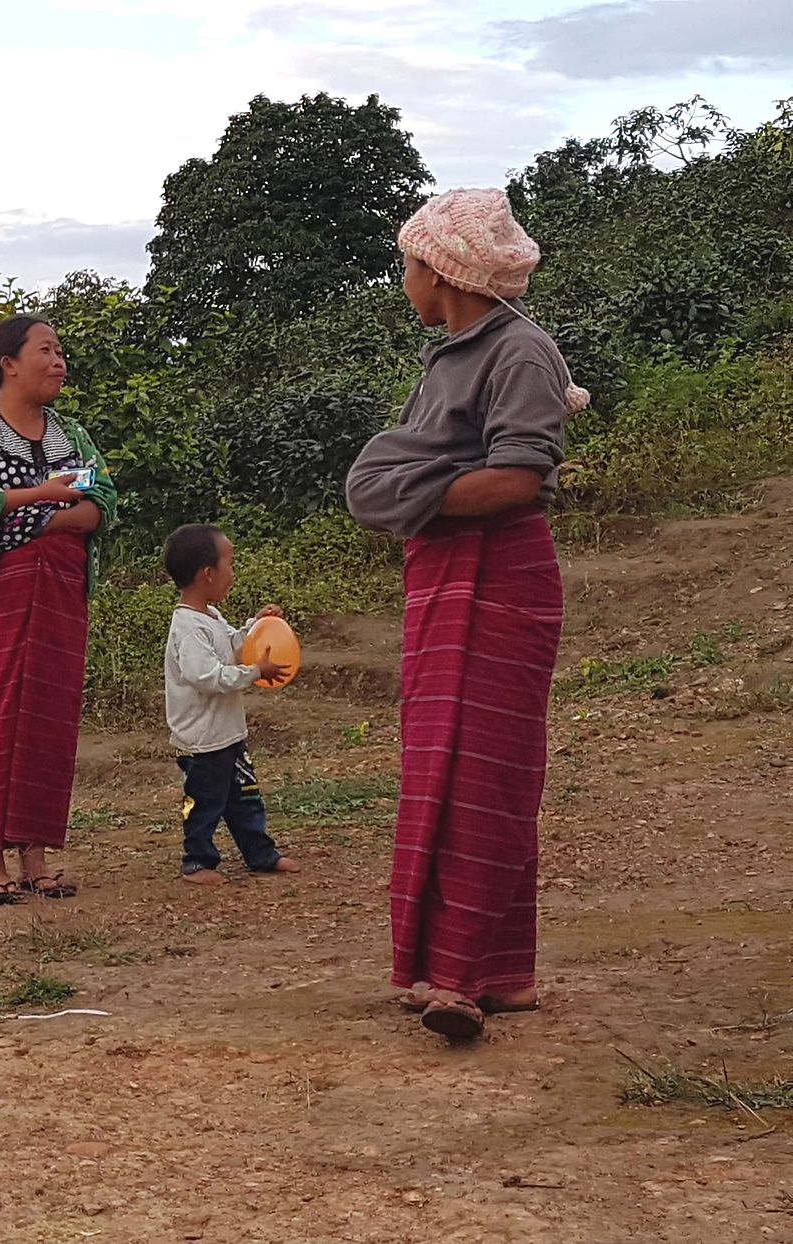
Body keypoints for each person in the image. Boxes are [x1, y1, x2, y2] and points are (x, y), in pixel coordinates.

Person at [345, 188, 588, 1039]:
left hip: (502, 575)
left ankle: (462, 977)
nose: (404, 279)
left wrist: (406, 491)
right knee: (440, 768)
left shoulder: (520, 352)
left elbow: (517, 478)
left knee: (486, 773)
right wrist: (411, 489)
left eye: (408, 264)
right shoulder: (450, 357)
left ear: (438, 271)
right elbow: (424, 470)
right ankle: (486, 973)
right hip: (447, 574)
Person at [0, 314, 117, 905]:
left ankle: (36, 855)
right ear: (7, 363)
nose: (59, 360)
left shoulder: (75, 434)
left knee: (49, 714)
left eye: (61, 350)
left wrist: (42, 516)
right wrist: (46, 497)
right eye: (46, 350)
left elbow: (104, 505)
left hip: (64, 587)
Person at [162, 523, 301, 886]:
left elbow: (232, 646)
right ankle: (197, 860)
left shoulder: (210, 617)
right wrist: (256, 671)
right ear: (208, 574)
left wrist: (259, 625)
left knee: (245, 797)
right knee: (205, 803)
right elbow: (208, 676)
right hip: (204, 740)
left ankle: (261, 854)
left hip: (228, 734)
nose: (233, 573)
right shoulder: (188, 628)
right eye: (230, 564)